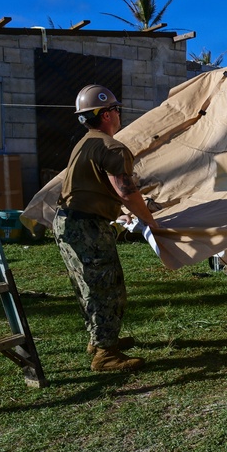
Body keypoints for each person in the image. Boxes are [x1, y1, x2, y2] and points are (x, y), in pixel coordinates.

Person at [53, 85, 160, 372]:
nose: (118, 113)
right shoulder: (112, 147)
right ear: (106, 114)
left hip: (68, 221)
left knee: (87, 285)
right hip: (87, 226)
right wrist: (149, 219)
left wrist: (121, 211)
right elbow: (125, 190)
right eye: (116, 109)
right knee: (107, 287)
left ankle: (98, 339)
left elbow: (100, 187)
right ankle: (106, 355)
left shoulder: (86, 142)